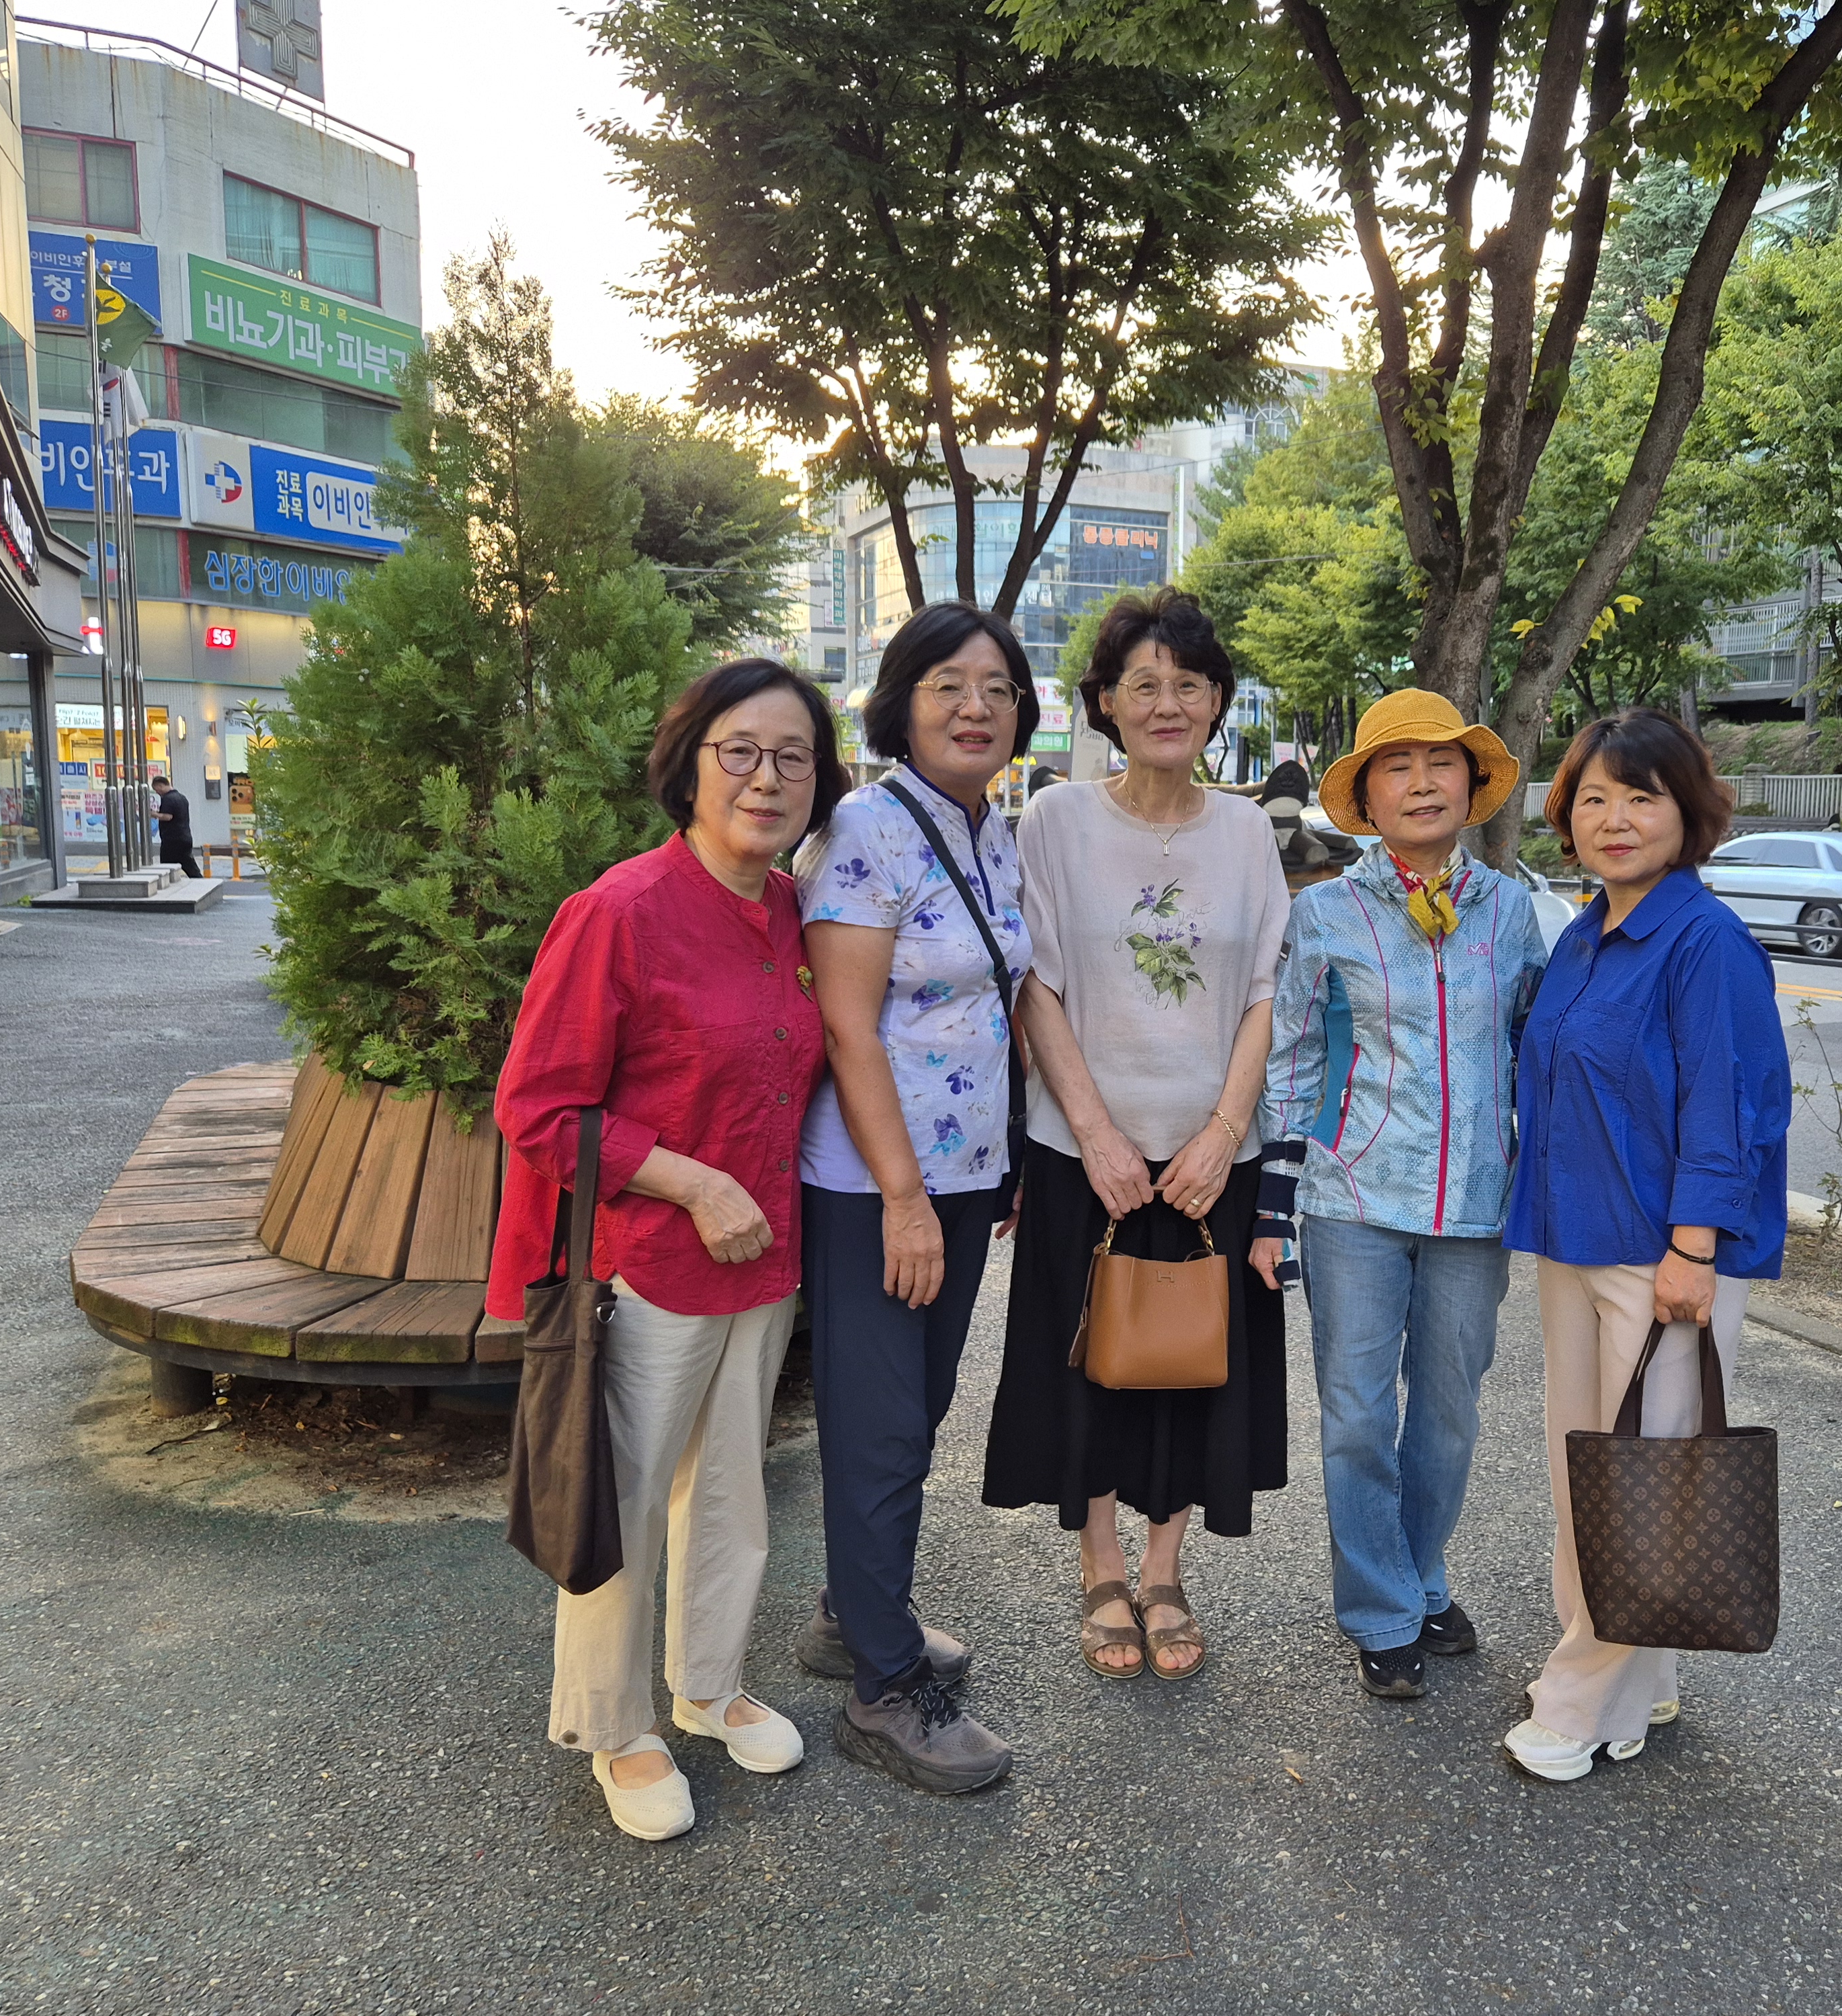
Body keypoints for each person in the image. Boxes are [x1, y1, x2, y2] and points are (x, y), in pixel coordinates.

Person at [487, 656, 848, 1841]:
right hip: (646, 1264)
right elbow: (539, 1107)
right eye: (740, 751)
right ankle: (614, 1725)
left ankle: (707, 1686)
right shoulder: (621, 911)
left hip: (767, 1259)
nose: (767, 777)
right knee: (628, 1502)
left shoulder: (793, 913)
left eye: (793, 757)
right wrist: (692, 1182)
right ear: (688, 766)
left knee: (736, 1489)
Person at [981, 588, 1291, 1683]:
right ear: (1106, 701)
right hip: (1085, 1153)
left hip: (1212, 1156)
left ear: (1216, 702)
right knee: (1092, 1366)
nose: (1168, 703)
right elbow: (1037, 986)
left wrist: (1223, 1130)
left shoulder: (1247, 831)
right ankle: (1102, 1564)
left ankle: (1166, 1570)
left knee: (1190, 1364)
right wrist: (1098, 1133)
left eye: (1189, 684)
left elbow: (1266, 993)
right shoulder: (1057, 821)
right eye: (1143, 684)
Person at [1498, 708, 1789, 1785]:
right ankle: (1642, 1678)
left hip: (1662, 1258)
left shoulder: (1706, 942)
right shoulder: (1584, 934)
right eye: (1593, 798)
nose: (1614, 818)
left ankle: (1577, 1701)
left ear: (1688, 812)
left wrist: (1694, 1249)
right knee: (1593, 1473)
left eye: (1641, 796)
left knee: (1648, 1485)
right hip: (1572, 1241)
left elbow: (1730, 1104)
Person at [1250, 690, 1546, 1702]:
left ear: (1472, 785)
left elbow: (1536, 1051)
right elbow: (1292, 1057)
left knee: (1450, 1415)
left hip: (1477, 1204)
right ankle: (1381, 1609)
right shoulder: (1324, 913)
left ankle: (1420, 1574)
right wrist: (1274, 1207)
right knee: (1355, 1415)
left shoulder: (1510, 911)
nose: (1422, 783)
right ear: (1367, 799)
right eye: (1397, 767)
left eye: (1441, 763)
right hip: (1352, 1199)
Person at [792, 601, 1038, 1794]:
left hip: (966, 1177)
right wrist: (901, 1199)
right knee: (883, 1422)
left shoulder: (992, 827)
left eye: (997, 687)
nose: (975, 706)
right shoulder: (865, 829)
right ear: (902, 701)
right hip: (875, 1187)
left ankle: (856, 1611)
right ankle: (885, 1691)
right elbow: (849, 1028)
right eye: (948, 684)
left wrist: (1006, 1161)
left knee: (918, 1407)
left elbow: (996, 1003)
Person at [150, 775, 200, 879]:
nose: (157, 793)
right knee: (189, 865)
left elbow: (168, 816)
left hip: (172, 840)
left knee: (167, 868)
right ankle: (201, 881)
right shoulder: (182, 797)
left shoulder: (168, 799)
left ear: (161, 786)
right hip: (185, 837)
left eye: (157, 790)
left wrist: (155, 814)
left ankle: (168, 883)